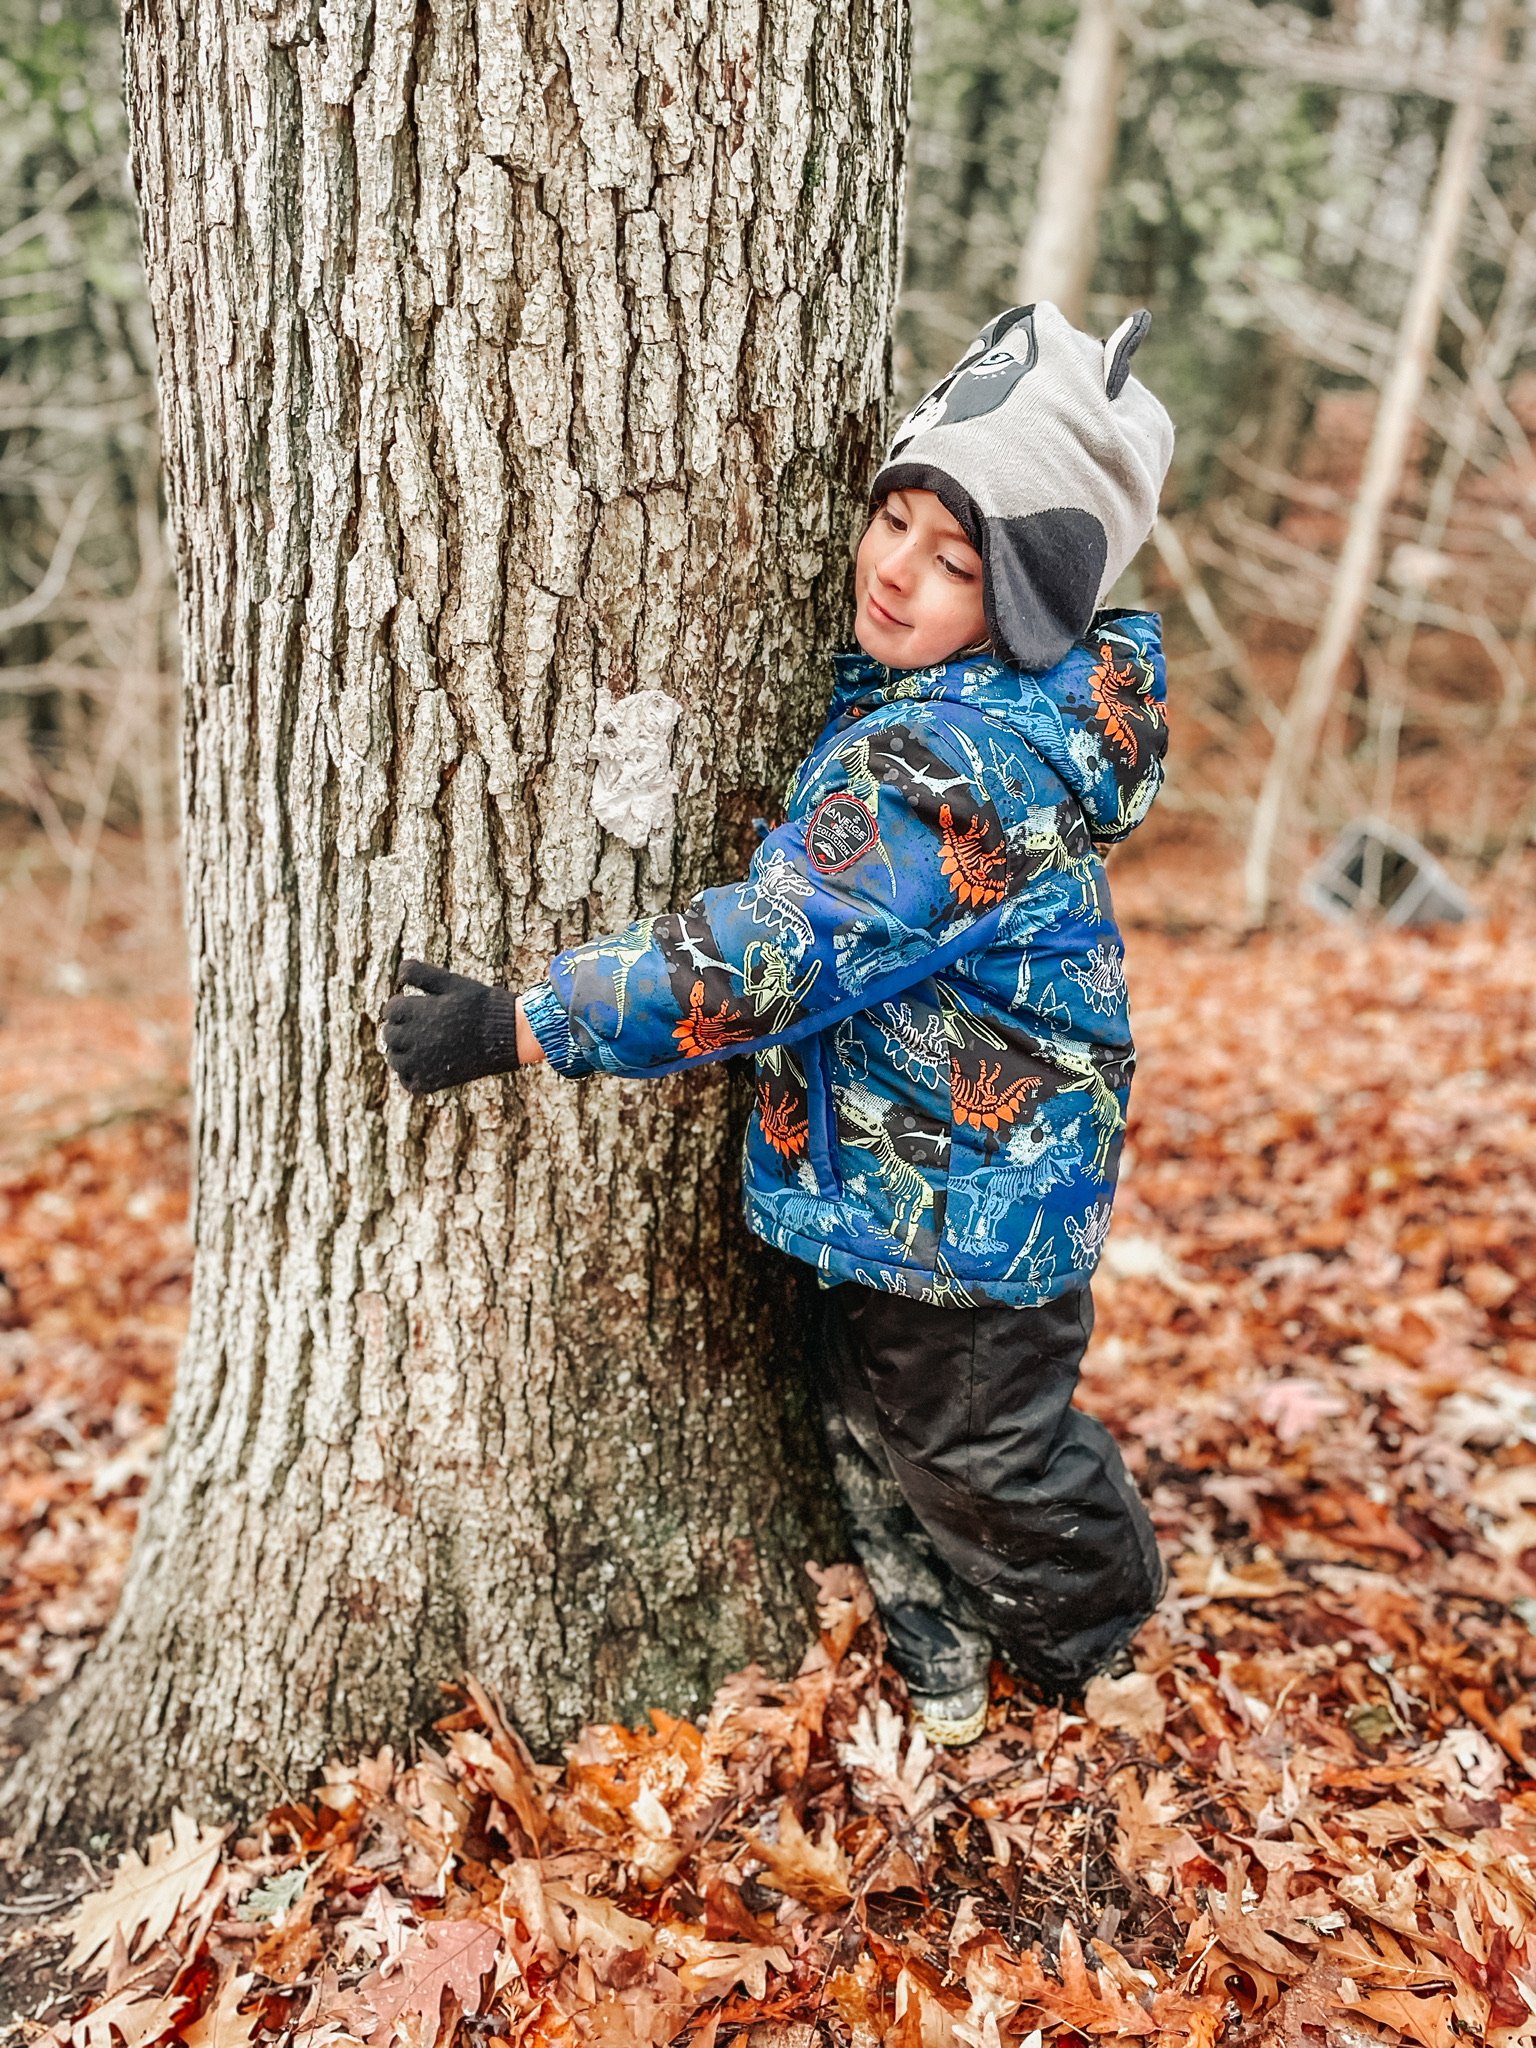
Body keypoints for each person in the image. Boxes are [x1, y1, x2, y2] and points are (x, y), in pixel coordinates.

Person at [381, 302, 1175, 1746]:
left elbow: (778, 946)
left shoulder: (958, 762)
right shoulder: (926, 695)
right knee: (870, 1421)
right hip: (899, 1188)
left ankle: (1101, 1651)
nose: (893, 570)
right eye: (897, 519)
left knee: (985, 1451)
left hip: (972, 1213)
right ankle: (941, 1662)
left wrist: (518, 1023)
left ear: (1036, 601)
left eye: (956, 562)